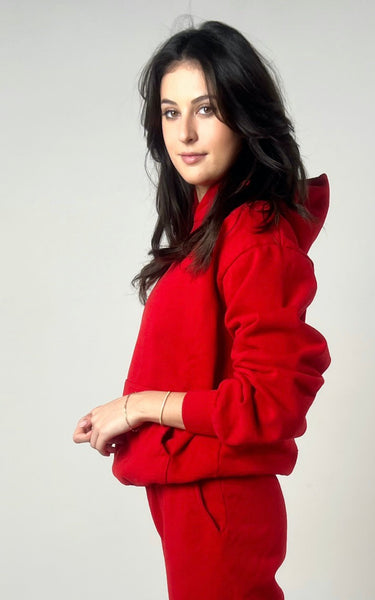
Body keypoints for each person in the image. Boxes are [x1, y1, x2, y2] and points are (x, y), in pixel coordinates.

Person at [73, 20, 330, 600]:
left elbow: (268, 402)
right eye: (170, 113)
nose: (185, 133)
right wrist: (127, 413)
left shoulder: (254, 235)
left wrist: (139, 407)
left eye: (206, 109)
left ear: (245, 115)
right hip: (196, 498)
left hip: (220, 500)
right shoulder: (212, 230)